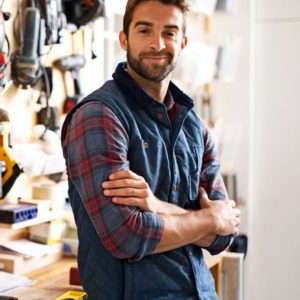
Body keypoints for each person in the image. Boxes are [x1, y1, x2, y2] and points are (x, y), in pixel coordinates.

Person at [61, 0, 241, 299]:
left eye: (169, 33)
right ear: (124, 39)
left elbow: (225, 235)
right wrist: (209, 219)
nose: (157, 44)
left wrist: (156, 207)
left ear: (182, 43)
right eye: (145, 30)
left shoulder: (192, 124)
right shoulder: (99, 116)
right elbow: (127, 237)